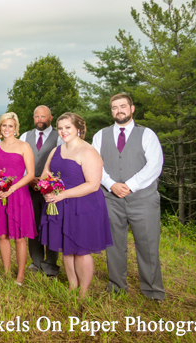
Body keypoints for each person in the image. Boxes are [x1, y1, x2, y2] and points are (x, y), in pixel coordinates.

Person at [91, 94, 165, 300]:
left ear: (132, 109)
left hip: (143, 199)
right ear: (111, 111)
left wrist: (130, 186)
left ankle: (152, 290)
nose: (119, 110)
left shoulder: (147, 135)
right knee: (114, 244)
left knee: (148, 245)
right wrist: (111, 184)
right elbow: (95, 165)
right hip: (111, 199)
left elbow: (154, 166)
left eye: (123, 106)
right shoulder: (100, 136)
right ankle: (116, 286)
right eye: (115, 107)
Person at [40, 112, 113, 297]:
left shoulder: (88, 152)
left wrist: (62, 194)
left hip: (83, 206)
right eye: (60, 128)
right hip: (60, 203)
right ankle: (72, 285)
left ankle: (84, 291)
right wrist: (48, 190)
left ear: (78, 128)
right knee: (66, 247)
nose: (63, 132)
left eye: (68, 127)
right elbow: (45, 174)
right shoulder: (56, 150)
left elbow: (93, 184)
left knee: (81, 250)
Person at [0, 112, 37, 285]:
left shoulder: (24, 146)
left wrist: (11, 188)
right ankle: (6, 273)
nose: (7, 129)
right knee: (2, 235)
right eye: (4, 126)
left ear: (16, 128)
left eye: (10, 126)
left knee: (20, 237)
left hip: (18, 195)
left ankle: (20, 275)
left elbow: (31, 174)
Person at [20, 105, 62, 277]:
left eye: (43, 116)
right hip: (28, 188)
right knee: (33, 225)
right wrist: (28, 178)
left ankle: (50, 264)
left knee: (51, 224)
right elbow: (20, 160)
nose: (39, 120)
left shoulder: (59, 136)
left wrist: (47, 182)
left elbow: (60, 161)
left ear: (51, 118)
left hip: (51, 189)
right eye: (36, 116)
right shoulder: (25, 136)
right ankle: (36, 262)